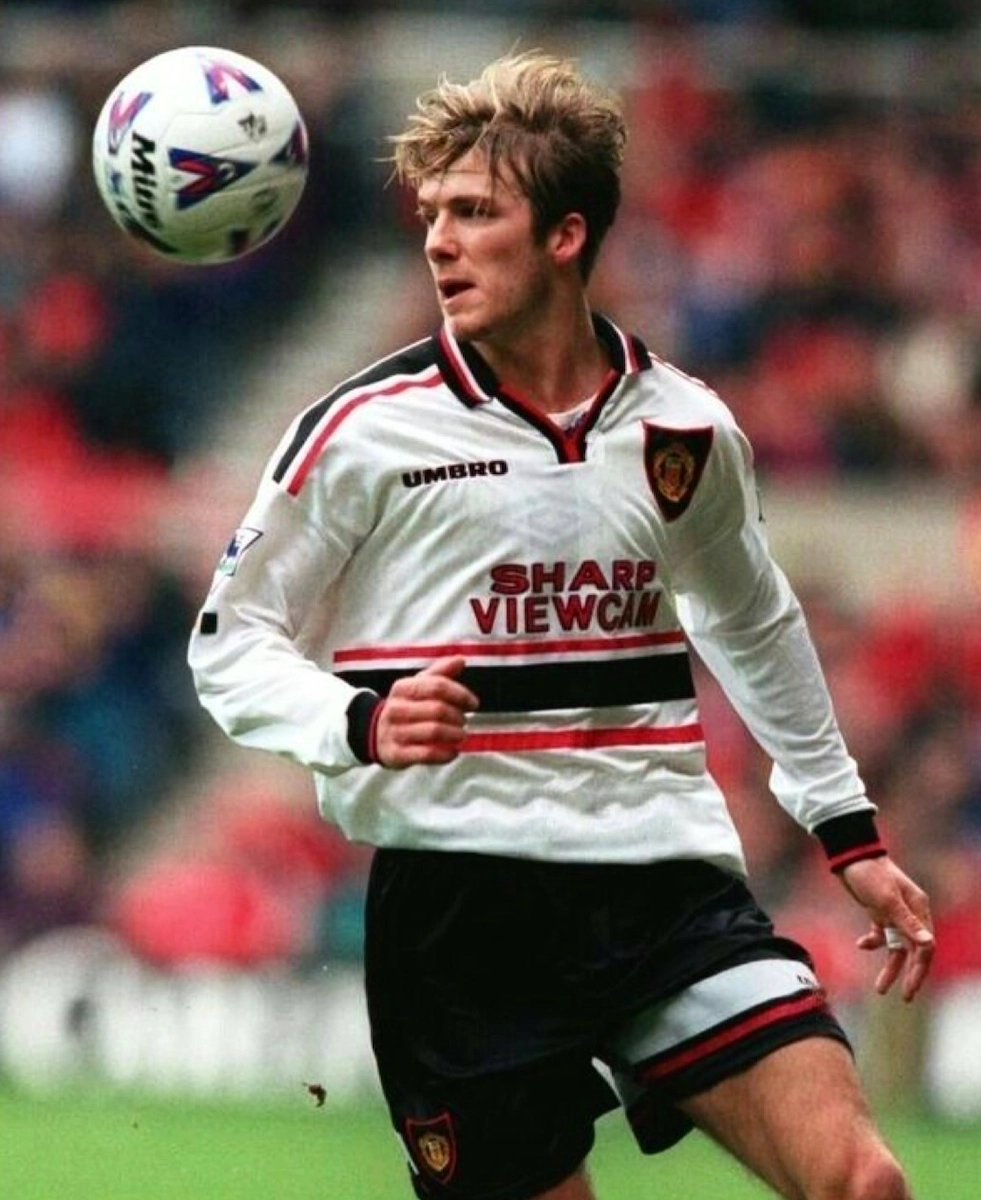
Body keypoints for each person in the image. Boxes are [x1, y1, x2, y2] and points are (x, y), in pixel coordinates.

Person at [188, 50, 935, 1200]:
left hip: (660, 881)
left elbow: (751, 618)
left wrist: (847, 830)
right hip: (460, 909)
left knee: (863, 1184)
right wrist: (358, 720)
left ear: (565, 235)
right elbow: (229, 644)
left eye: (475, 213)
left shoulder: (684, 428)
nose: (440, 242)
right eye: (433, 215)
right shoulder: (361, 432)